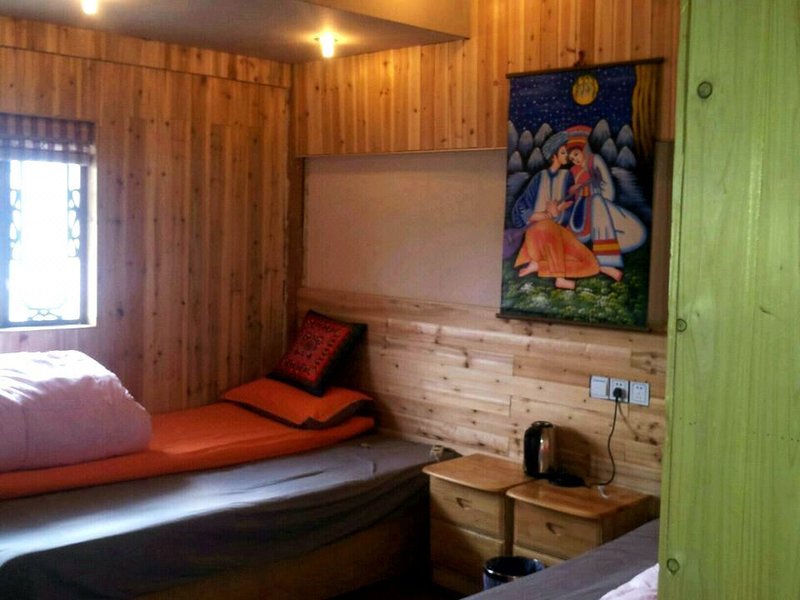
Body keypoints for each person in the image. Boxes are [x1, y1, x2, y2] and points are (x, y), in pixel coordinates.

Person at [511, 132, 599, 290]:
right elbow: (520, 206)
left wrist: (559, 209)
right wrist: (537, 215)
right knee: (547, 226)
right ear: (554, 156)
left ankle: (539, 265)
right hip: (537, 233)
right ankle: (559, 277)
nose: (567, 156)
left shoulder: (567, 176)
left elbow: (570, 205)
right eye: (563, 153)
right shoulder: (539, 177)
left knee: (591, 264)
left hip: (557, 231)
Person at [564, 125, 646, 281]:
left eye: (576, 154)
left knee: (597, 204)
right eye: (572, 159)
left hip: (600, 206)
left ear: (583, 149)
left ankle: (606, 262)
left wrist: (592, 189)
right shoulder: (574, 171)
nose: (575, 160)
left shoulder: (595, 160)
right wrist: (575, 190)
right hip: (582, 207)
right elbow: (572, 194)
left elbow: (608, 190)